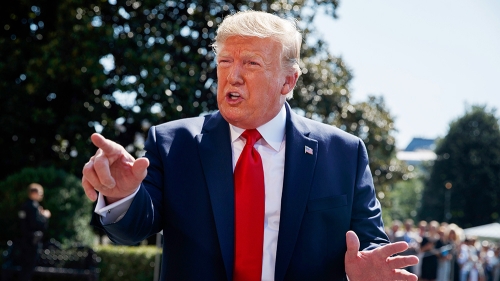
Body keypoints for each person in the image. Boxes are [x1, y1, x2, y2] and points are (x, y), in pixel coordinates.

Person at [82, 10, 418, 281]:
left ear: (288, 80)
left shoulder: (343, 153)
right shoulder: (173, 143)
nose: (233, 75)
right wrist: (121, 194)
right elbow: (134, 227)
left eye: (252, 63)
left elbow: (370, 245)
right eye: (225, 61)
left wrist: (370, 271)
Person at [18, 183, 51, 281]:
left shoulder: (24, 205)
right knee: (28, 268)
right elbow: (37, 224)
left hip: (24, 241)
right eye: (40, 193)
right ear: (33, 193)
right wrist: (45, 216)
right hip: (33, 241)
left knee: (25, 268)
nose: (41, 195)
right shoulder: (33, 206)